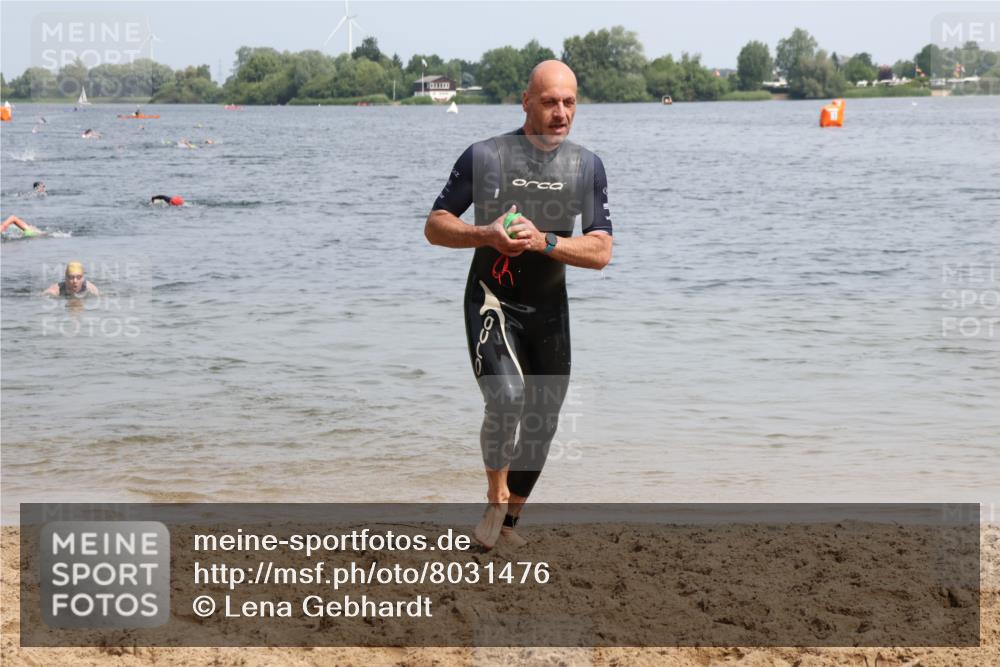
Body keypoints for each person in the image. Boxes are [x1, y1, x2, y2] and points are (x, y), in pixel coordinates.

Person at [425, 60, 613, 549]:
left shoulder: (585, 166)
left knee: (543, 418)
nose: (560, 112)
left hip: (549, 310)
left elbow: (600, 251)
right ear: (526, 101)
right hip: (491, 300)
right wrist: (485, 234)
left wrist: (544, 243)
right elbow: (435, 225)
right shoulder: (485, 157)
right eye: (549, 101)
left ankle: (507, 525)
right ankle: (495, 496)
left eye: (569, 102)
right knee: (506, 397)